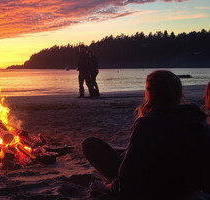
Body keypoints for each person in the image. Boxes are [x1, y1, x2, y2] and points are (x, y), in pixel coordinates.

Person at [81, 70, 210, 199]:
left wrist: (104, 187)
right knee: (125, 153)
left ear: (150, 93)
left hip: (154, 189)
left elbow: (126, 183)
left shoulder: (147, 124)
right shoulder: (199, 119)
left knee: (91, 144)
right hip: (187, 185)